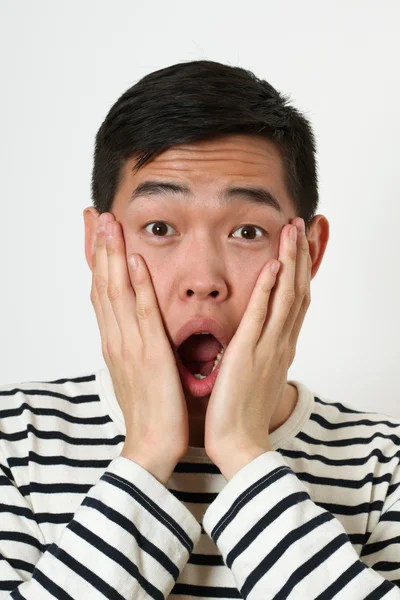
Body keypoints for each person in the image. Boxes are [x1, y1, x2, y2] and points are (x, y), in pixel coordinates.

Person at [0, 60, 399, 600]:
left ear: (308, 250)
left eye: (247, 230)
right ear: (99, 245)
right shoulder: (12, 445)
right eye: (160, 227)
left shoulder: (384, 466)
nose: (203, 280)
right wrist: (145, 453)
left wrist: (244, 451)